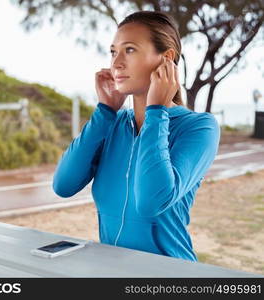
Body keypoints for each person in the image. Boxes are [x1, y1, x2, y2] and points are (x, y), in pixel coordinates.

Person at [52, 11, 220, 262]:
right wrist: (105, 111)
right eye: (113, 52)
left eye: (129, 50)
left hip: (172, 277)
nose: (116, 62)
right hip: (114, 274)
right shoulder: (111, 124)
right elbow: (63, 185)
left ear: (166, 59)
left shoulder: (199, 128)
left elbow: (152, 201)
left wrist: (156, 112)